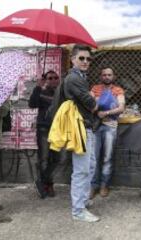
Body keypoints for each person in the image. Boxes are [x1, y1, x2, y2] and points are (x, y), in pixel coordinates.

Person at [64, 44, 99, 222]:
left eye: (88, 59)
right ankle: (78, 211)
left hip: (86, 127)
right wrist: (94, 100)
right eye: (81, 58)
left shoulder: (80, 77)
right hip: (80, 128)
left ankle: (83, 200)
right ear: (73, 59)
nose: (85, 61)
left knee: (90, 166)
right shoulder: (74, 79)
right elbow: (93, 105)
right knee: (81, 170)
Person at [90, 67, 125, 198]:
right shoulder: (95, 89)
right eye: (104, 75)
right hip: (96, 126)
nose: (106, 77)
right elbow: (89, 103)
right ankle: (93, 186)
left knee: (107, 158)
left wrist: (107, 112)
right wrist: (95, 110)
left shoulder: (118, 90)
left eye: (109, 75)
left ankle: (104, 185)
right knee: (94, 158)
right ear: (101, 76)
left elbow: (121, 107)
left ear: (113, 76)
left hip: (110, 126)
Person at [29, 70, 61, 198]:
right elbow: (32, 104)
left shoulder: (60, 93)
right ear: (46, 79)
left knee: (58, 159)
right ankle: (47, 184)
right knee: (44, 159)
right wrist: (38, 87)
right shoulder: (41, 91)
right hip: (44, 129)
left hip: (58, 130)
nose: (53, 80)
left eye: (55, 77)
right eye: (50, 78)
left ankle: (43, 181)